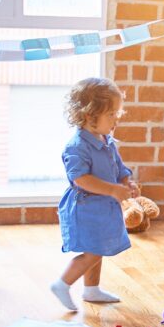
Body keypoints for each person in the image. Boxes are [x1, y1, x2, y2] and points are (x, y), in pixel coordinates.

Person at [51, 78, 137, 310]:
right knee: (92, 251)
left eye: (117, 113)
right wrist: (111, 189)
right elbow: (80, 178)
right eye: (111, 114)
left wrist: (126, 182)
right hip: (86, 208)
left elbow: (119, 167)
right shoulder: (77, 146)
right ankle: (62, 283)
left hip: (103, 207)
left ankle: (91, 289)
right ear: (89, 116)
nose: (116, 120)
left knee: (99, 248)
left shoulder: (106, 140)